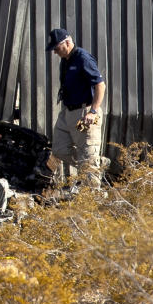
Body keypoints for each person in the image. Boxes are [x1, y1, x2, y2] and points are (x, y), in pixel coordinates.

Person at [46, 28, 107, 187]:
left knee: (88, 161)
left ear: (67, 42)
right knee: (59, 149)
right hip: (68, 113)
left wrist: (93, 112)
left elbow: (100, 85)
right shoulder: (65, 60)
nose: (55, 52)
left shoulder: (83, 58)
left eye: (56, 48)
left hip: (85, 113)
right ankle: (92, 163)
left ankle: (92, 195)